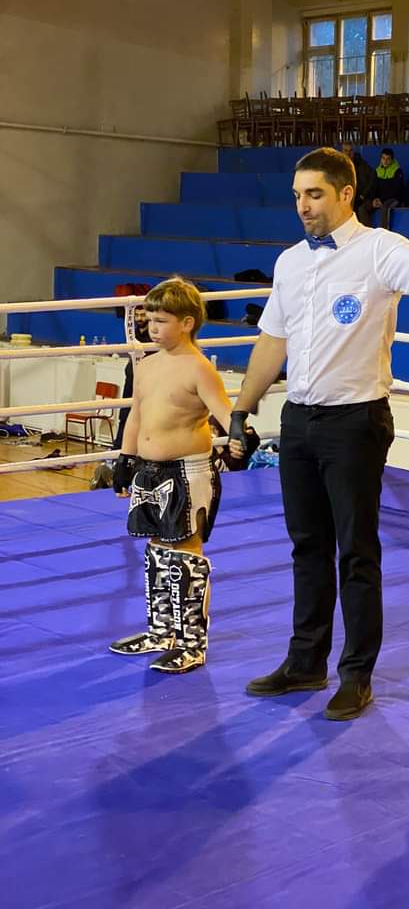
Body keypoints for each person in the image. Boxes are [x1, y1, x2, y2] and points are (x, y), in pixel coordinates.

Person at [227, 147, 409, 721]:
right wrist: (241, 410)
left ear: (347, 194)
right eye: (297, 195)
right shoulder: (289, 262)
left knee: (356, 551)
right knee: (307, 547)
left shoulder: (380, 249)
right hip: (298, 420)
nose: (303, 206)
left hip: (355, 421)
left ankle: (356, 674)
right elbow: (272, 341)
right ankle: (306, 661)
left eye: (314, 194)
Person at [109, 277, 235, 673]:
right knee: (156, 551)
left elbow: (227, 414)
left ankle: (192, 643)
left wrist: (240, 439)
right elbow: (137, 413)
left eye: (161, 321)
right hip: (149, 471)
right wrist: (125, 459)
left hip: (188, 471)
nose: (152, 328)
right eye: (149, 321)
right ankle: (161, 631)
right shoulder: (146, 364)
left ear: (187, 322)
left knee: (185, 553)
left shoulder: (199, 369)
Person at [113, 305, 152, 449]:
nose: (140, 318)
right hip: (131, 380)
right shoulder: (133, 334)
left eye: (143, 315)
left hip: (147, 381)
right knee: (125, 413)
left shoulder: (153, 335)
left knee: (146, 415)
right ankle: (118, 448)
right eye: (137, 315)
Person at [341, 142, 375, 227]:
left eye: (350, 150)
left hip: (360, 198)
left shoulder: (361, 164)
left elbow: (372, 179)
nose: (348, 153)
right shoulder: (339, 165)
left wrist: (363, 195)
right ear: (342, 152)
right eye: (346, 150)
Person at [369, 147, 404, 229]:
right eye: (383, 158)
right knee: (363, 207)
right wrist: (374, 199)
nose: (385, 161)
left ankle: (384, 231)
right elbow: (373, 188)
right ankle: (367, 232)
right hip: (380, 200)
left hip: (393, 199)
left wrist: (382, 200)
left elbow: (397, 191)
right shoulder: (377, 171)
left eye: (388, 159)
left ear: (392, 160)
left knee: (385, 207)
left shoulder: (397, 171)